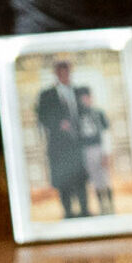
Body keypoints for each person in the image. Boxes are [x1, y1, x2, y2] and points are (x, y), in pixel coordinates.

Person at [34, 59, 91, 218]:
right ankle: (68, 213)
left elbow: (88, 113)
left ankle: (85, 210)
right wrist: (58, 124)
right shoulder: (47, 95)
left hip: (78, 143)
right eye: (61, 72)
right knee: (63, 179)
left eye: (67, 72)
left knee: (80, 178)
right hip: (58, 145)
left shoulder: (80, 91)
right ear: (56, 74)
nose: (65, 75)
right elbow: (42, 117)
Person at [77, 88, 115, 215]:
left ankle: (110, 205)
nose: (85, 101)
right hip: (87, 150)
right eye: (82, 99)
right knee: (95, 180)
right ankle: (102, 207)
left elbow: (106, 133)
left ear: (91, 98)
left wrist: (106, 152)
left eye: (87, 98)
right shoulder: (78, 115)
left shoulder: (99, 113)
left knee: (105, 178)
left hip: (100, 148)